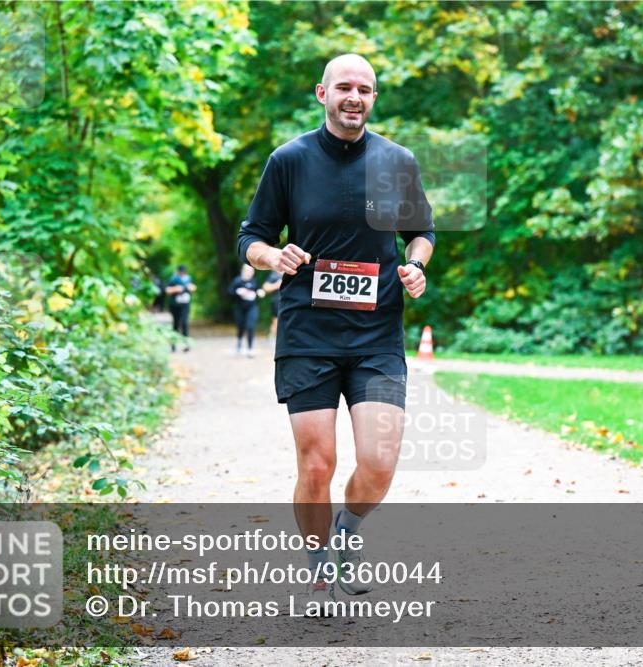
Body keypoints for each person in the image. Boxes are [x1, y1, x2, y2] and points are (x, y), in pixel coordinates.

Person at [236, 53, 435, 608]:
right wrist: (273, 255)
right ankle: (319, 568)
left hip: (376, 336)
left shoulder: (397, 161)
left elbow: (422, 232)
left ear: (374, 98)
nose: (355, 97)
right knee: (317, 461)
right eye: (344, 87)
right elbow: (250, 237)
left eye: (365, 89)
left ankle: (347, 532)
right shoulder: (289, 160)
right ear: (322, 93)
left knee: (379, 461)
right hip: (308, 333)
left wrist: (415, 265)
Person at [228, 264, 264, 357]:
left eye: (251, 271)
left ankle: (250, 349)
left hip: (252, 307)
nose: (250, 273)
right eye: (248, 271)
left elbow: (259, 290)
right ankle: (239, 342)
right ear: (243, 271)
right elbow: (230, 292)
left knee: (250, 326)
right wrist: (237, 292)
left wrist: (260, 292)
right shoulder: (237, 281)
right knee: (241, 327)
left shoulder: (254, 281)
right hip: (239, 308)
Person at [165, 265, 196, 352]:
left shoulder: (188, 278)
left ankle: (186, 344)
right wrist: (176, 289)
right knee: (176, 324)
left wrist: (191, 288)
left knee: (184, 323)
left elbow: (193, 287)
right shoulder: (173, 279)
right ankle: (173, 345)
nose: (182, 273)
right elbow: (167, 290)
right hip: (175, 305)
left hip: (185, 304)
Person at [262, 270, 283, 342]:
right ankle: (272, 338)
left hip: (290, 301)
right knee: (276, 322)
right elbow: (265, 287)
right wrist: (277, 285)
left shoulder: (293, 272)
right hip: (277, 302)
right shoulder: (274, 275)